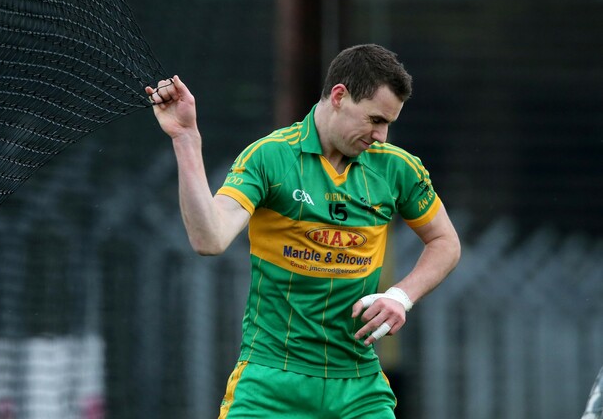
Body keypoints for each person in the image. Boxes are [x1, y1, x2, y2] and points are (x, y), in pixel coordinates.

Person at [146, 44, 461, 419]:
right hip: (270, 383)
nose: (382, 135)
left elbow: (445, 241)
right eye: (375, 119)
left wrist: (401, 296)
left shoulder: (398, 168)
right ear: (339, 96)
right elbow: (209, 239)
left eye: (388, 123)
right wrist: (186, 138)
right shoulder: (270, 157)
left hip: (359, 385)